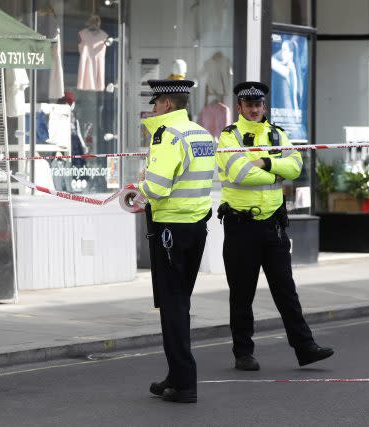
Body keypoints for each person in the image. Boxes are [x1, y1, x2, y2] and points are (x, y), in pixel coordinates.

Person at [215, 81, 334, 371]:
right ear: (240, 107)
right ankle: (243, 353)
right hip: (241, 226)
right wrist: (275, 172)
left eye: (258, 105)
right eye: (248, 105)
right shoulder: (229, 137)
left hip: (274, 226)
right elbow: (240, 174)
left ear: (263, 106)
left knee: (286, 290)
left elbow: (296, 167)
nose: (254, 109)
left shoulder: (277, 134)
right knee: (242, 294)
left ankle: (305, 348)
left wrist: (266, 163)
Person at [139, 79, 215, 403]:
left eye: (155, 102)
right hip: (196, 227)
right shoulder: (200, 133)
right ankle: (176, 374)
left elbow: (157, 187)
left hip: (170, 227)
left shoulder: (167, 135)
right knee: (179, 301)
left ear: (167, 104)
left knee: (172, 305)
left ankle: (184, 383)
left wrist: (136, 189)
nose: (152, 108)